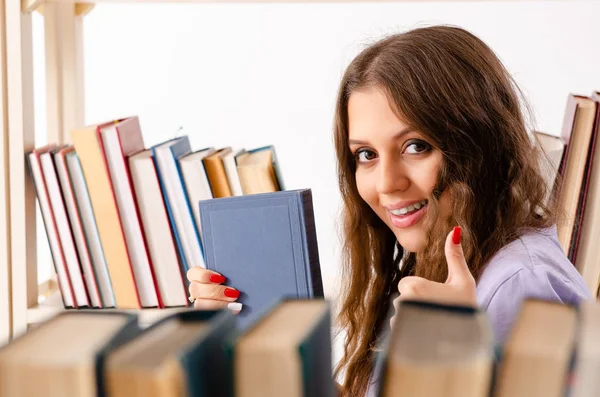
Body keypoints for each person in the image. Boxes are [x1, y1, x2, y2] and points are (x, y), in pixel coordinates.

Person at [186, 25, 592, 397]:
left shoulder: (519, 284)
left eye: (416, 146)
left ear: (480, 146)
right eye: (365, 154)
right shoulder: (436, 266)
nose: (385, 184)